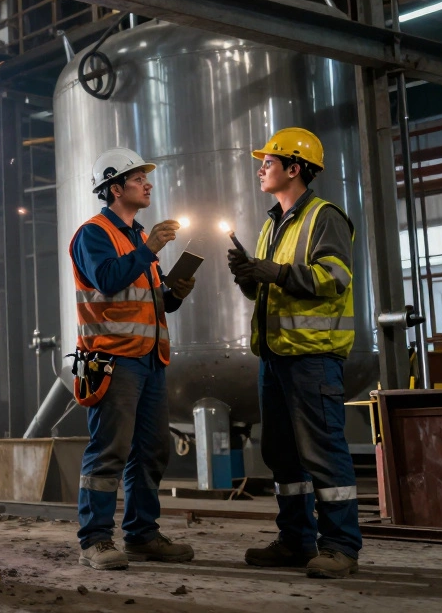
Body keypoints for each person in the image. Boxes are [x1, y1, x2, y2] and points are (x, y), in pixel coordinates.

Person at [226, 127, 360, 579]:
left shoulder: (325, 216)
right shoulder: (271, 223)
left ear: (294, 167)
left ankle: (340, 547)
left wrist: (274, 271)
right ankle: (296, 540)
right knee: (283, 455)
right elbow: (268, 288)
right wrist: (248, 274)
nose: (261, 168)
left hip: (314, 355)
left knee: (323, 451)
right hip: (276, 356)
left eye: (269, 161)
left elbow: (333, 277)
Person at [69, 147, 196, 571]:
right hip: (113, 358)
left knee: (152, 450)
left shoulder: (138, 238)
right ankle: (96, 540)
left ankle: (142, 534)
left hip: (149, 359)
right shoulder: (94, 234)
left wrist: (174, 292)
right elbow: (107, 281)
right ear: (114, 187)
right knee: (109, 450)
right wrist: (151, 247)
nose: (148, 184)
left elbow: (148, 300)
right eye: (139, 178)